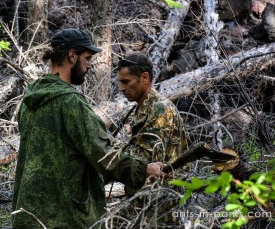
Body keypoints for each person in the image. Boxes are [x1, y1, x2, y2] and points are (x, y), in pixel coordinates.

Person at [12, 28, 167, 229]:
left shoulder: (29, 100)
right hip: (64, 219)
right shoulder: (70, 102)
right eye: (87, 58)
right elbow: (103, 153)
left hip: (27, 215)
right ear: (71, 55)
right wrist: (144, 168)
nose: (89, 65)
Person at [116, 52, 188, 192]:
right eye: (120, 82)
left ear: (144, 78)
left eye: (126, 82)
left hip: (159, 198)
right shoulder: (143, 108)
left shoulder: (159, 109)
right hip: (145, 194)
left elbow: (144, 158)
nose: (121, 88)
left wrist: (108, 151)